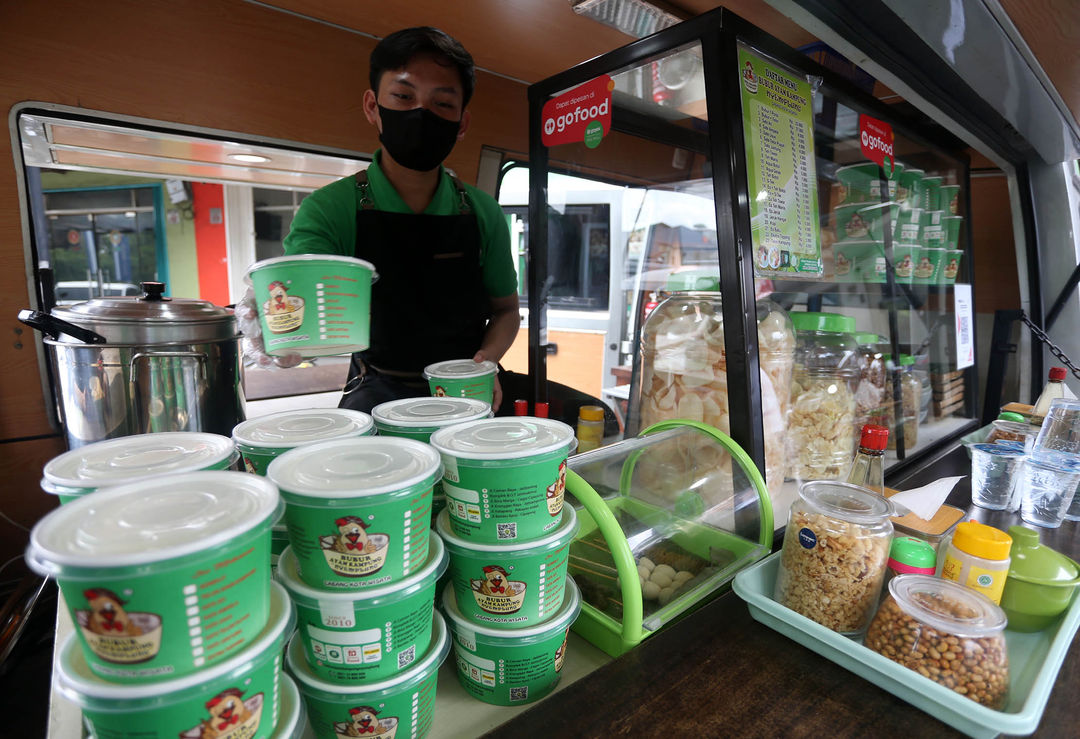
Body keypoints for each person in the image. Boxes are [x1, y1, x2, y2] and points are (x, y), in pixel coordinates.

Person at [274, 27, 519, 413]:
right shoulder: (331, 209)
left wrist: (486, 362)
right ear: (373, 106)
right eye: (404, 97)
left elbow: (506, 310)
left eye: (442, 104)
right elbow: (298, 307)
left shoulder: (482, 211)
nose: (421, 114)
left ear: (462, 124)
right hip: (375, 388)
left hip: (463, 390)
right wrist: (280, 328)